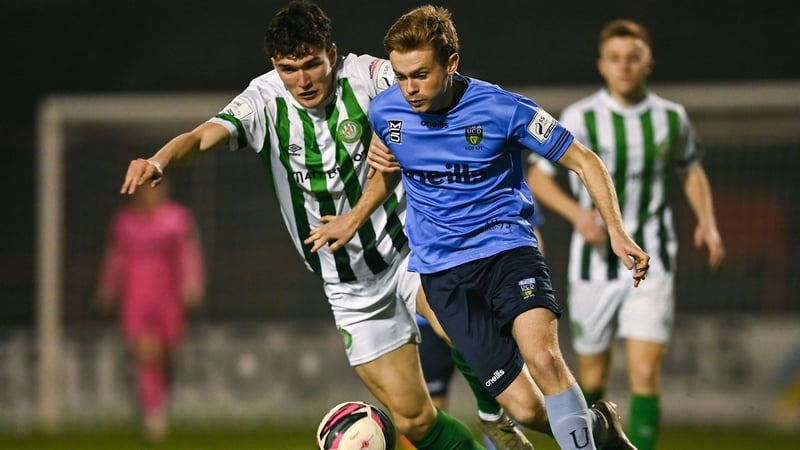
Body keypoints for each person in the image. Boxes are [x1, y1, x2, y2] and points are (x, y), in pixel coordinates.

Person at [118, 1, 528, 448]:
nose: (304, 79)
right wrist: (160, 161)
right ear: (275, 66)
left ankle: (496, 417)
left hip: (410, 251)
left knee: (458, 327)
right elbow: (201, 136)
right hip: (349, 286)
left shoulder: (368, 76)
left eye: (312, 64)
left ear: (332, 53)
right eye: (290, 68)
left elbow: (429, 93)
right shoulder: (263, 99)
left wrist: (393, 132)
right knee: (413, 420)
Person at [306, 5, 649, 450]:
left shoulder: (502, 109)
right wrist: (355, 217)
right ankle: (597, 431)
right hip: (443, 276)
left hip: (506, 252)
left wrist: (618, 232)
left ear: (451, 64)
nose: (409, 88)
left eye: (421, 74)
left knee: (543, 357)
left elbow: (584, 160)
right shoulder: (385, 111)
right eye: (401, 74)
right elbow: (389, 168)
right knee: (524, 409)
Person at [526, 19, 725, 450]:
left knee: (646, 375)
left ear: (647, 62)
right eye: (615, 58)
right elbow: (538, 178)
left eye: (632, 58)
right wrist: (578, 214)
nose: (624, 66)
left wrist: (707, 223)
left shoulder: (671, 118)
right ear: (602, 65)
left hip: (653, 259)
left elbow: (691, 170)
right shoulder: (581, 116)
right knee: (592, 377)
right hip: (592, 265)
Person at [96, 177, 205, 442]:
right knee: (146, 354)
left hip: (168, 294)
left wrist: (191, 284)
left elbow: (188, 254)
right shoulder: (125, 223)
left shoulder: (177, 219)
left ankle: (158, 404)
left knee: (166, 354)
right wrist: (108, 289)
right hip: (136, 295)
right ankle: (152, 413)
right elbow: (116, 258)